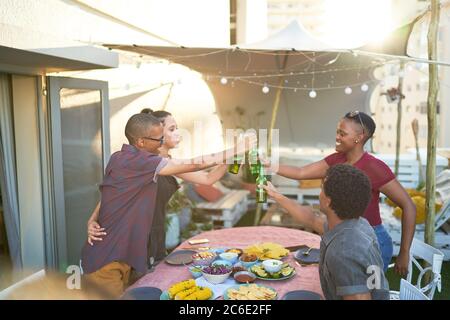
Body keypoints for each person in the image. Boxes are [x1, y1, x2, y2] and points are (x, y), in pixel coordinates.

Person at [81, 113, 254, 298]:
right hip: (108, 257)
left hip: (130, 254)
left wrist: (235, 156)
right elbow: (197, 163)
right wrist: (234, 149)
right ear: (140, 141)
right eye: (159, 137)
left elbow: (207, 178)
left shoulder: (137, 160)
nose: (162, 141)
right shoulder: (138, 161)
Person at [265, 111, 415, 275]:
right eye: (337, 131)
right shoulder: (336, 159)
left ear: (360, 136)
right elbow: (301, 172)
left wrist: (404, 252)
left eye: (342, 133)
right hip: (342, 233)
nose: (337, 136)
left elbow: (408, 206)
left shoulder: (374, 167)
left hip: (371, 240)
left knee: (364, 292)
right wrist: (269, 165)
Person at [87, 108, 229, 267]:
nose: (177, 133)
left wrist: (230, 160)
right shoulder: (141, 162)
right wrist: (92, 220)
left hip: (152, 239)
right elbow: (113, 193)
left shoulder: (168, 163)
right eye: (171, 129)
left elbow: (208, 178)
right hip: (127, 244)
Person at [262, 164, 390, 300]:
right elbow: (311, 219)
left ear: (328, 202)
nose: (320, 192)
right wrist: (276, 195)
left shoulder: (344, 252)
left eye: (322, 188)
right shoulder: (355, 224)